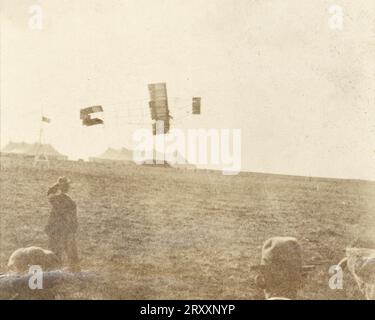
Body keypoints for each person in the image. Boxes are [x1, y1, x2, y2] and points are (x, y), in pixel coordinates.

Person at [45, 176, 80, 272]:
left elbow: (49, 193)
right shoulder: (71, 202)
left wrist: (57, 185)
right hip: (66, 228)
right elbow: (73, 218)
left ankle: (54, 270)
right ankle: (74, 269)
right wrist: (73, 228)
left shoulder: (54, 199)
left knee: (54, 250)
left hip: (54, 228)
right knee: (70, 250)